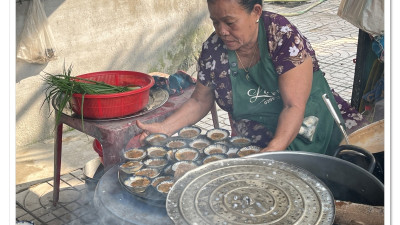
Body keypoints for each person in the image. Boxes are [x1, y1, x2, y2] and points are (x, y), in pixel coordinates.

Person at [137, 0, 344, 155]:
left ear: (256, 12)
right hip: (258, 129)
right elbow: (200, 100)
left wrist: (273, 150)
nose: (222, 31)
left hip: (308, 118)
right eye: (215, 22)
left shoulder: (281, 35)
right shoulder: (213, 49)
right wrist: (164, 128)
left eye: (229, 22)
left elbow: (293, 106)